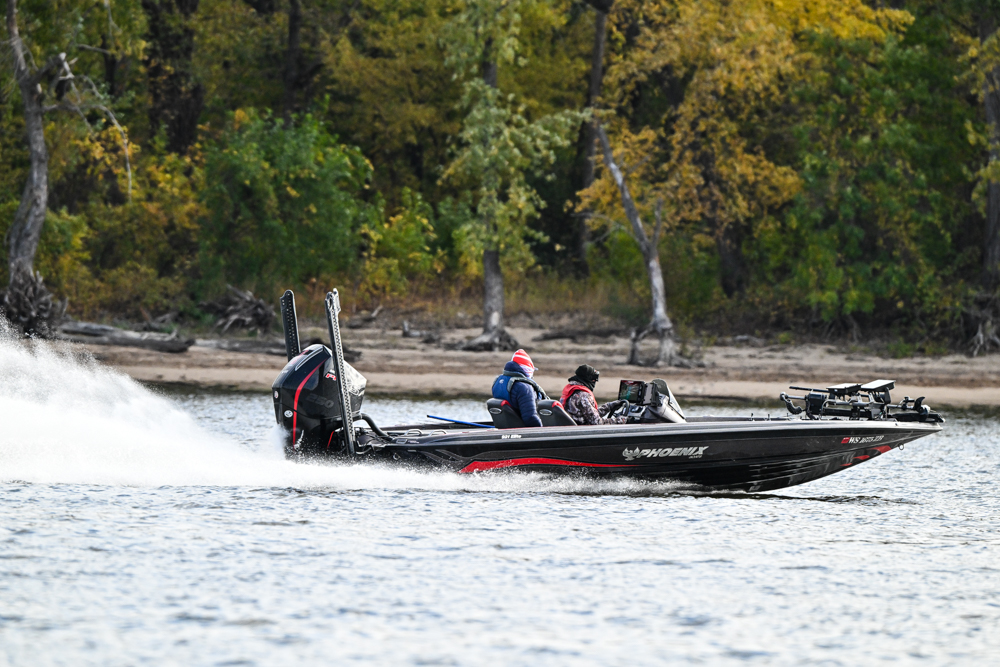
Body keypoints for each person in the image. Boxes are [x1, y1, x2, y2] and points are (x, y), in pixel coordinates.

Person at [491, 349, 547, 427]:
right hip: (520, 429)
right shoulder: (525, 388)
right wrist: (542, 429)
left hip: (505, 426)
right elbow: (530, 418)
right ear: (528, 369)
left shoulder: (498, 382)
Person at [560, 364, 628, 426]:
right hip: (580, 432)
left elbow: (590, 414)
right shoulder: (583, 395)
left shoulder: (572, 390)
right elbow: (597, 422)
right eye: (594, 378)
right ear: (587, 378)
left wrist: (608, 407)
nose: (595, 381)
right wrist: (620, 420)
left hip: (572, 428)